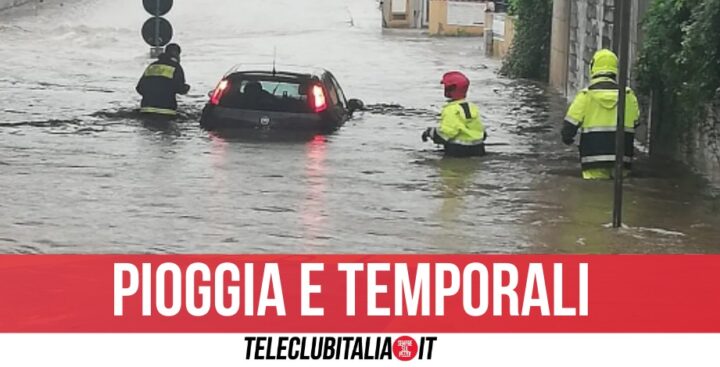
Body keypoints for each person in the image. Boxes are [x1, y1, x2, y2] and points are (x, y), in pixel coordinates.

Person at [561, 49, 640, 180]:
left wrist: (568, 140)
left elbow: (568, 130)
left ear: (593, 67)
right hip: (622, 161)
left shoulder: (585, 96)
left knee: (593, 195)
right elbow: (636, 123)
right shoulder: (628, 96)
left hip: (592, 161)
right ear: (615, 69)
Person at [422, 71, 487, 157]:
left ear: (448, 90)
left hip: (458, 150)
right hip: (478, 148)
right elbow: (481, 130)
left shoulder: (450, 110)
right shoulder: (472, 107)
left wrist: (429, 133)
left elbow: (447, 132)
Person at [136, 43, 191, 118]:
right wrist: (186, 88)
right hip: (166, 110)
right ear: (178, 55)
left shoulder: (152, 66)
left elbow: (139, 88)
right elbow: (180, 89)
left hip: (146, 109)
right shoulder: (176, 67)